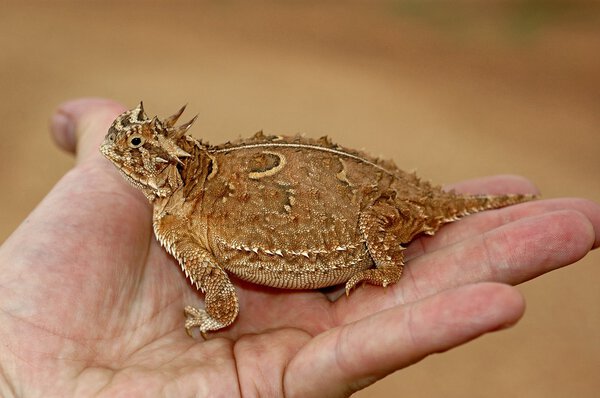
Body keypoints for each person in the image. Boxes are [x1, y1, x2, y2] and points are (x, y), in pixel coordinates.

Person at [0, 98, 598, 397]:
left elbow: (224, 305)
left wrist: (208, 320)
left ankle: (391, 261)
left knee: (395, 231)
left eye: (133, 149)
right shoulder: (178, 210)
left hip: (377, 215)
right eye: (126, 145)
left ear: (161, 164)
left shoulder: (183, 218)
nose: (119, 152)